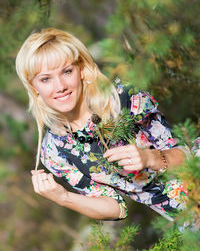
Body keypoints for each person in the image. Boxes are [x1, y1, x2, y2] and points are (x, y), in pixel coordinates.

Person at [16, 28, 188, 221]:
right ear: (34, 87)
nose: (60, 86)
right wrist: (63, 198)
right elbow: (116, 208)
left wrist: (150, 158)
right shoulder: (55, 152)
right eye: (45, 79)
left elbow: (186, 155)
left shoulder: (124, 99)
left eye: (67, 71)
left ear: (80, 70)